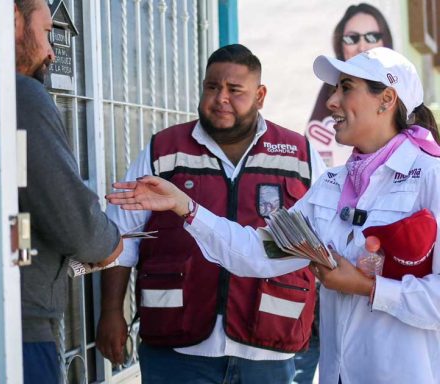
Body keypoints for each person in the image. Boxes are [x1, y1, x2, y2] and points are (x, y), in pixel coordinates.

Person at [107, 47, 440, 384]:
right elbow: (260, 252)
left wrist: (367, 287)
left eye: (346, 88)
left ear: (385, 100)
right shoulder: (333, 183)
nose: (331, 102)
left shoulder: (431, 177)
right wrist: (186, 208)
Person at [97, 44, 326, 383]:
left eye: (235, 90)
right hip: (176, 351)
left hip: (270, 349)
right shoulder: (164, 150)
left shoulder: (299, 155)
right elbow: (123, 236)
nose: (221, 97)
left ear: (260, 96)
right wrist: (111, 311)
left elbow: (326, 241)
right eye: (212, 87)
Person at [14, 1, 124, 383]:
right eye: (46, 32)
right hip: (21, 328)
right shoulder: (19, 96)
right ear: (13, 20)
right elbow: (76, 225)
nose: (52, 52)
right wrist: (110, 242)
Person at [307, 3, 393, 167]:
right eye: (351, 38)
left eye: (372, 37)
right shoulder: (329, 88)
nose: (362, 46)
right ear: (340, 44)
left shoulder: (401, 83)